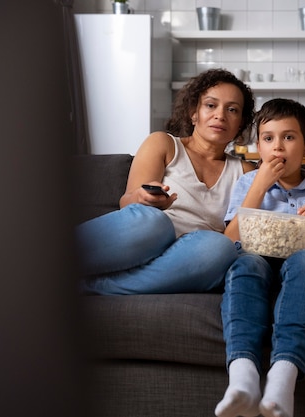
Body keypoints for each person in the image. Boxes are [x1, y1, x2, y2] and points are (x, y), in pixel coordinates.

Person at [215, 98, 305, 417]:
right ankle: (243, 377)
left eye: (288, 138)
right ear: (258, 147)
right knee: (243, 265)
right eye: (268, 138)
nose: (278, 147)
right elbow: (230, 239)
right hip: (257, 259)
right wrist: (261, 185)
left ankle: (282, 381)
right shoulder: (248, 183)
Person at [76, 68, 255, 295]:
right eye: (211, 105)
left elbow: (238, 235)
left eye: (232, 109)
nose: (220, 115)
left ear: (240, 123)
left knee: (221, 248)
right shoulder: (163, 144)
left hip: (186, 259)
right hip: (143, 239)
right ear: (194, 113)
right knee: (154, 223)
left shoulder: (245, 172)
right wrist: (141, 198)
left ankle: (92, 286)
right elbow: (127, 203)